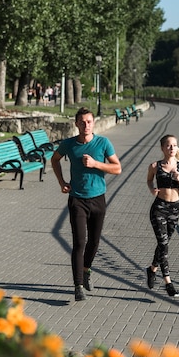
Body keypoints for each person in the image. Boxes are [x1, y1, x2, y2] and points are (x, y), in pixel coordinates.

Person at [51, 106, 122, 301]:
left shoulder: (103, 143)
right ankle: (78, 285)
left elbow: (117, 168)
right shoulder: (69, 144)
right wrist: (61, 182)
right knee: (79, 242)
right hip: (77, 199)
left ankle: (87, 269)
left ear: (93, 123)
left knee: (94, 242)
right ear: (76, 124)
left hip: (98, 199)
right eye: (82, 122)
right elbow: (54, 159)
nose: (86, 125)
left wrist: (96, 164)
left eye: (89, 122)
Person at [146, 134, 179, 297]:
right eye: (169, 146)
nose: (172, 148)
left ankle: (151, 270)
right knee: (163, 244)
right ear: (163, 148)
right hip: (159, 208)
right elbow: (149, 180)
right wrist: (152, 189)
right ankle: (168, 282)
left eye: (175, 145)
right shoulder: (155, 166)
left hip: (174, 209)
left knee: (162, 245)